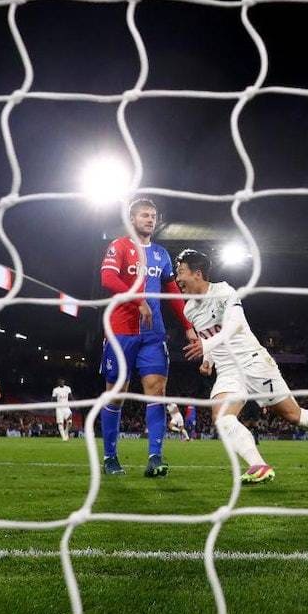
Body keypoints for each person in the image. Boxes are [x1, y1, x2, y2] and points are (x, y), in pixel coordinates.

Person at [176, 249, 308, 484]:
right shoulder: (189, 309)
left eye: (181, 272)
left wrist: (206, 345)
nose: (177, 279)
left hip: (254, 362)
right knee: (222, 418)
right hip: (228, 371)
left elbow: (235, 326)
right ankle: (258, 465)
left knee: (294, 416)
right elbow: (208, 336)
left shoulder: (224, 292)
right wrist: (208, 360)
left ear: (197, 274)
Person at [99, 197, 197, 477]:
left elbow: (172, 293)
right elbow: (108, 279)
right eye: (144, 215)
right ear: (132, 219)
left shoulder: (161, 254)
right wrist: (138, 300)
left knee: (156, 391)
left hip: (153, 334)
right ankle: (110, 457)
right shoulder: (119, 246)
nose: (150, 219)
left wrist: (187, 325)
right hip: (121, 331)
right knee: (116, 394)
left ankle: (155, 457)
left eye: (153, 216)